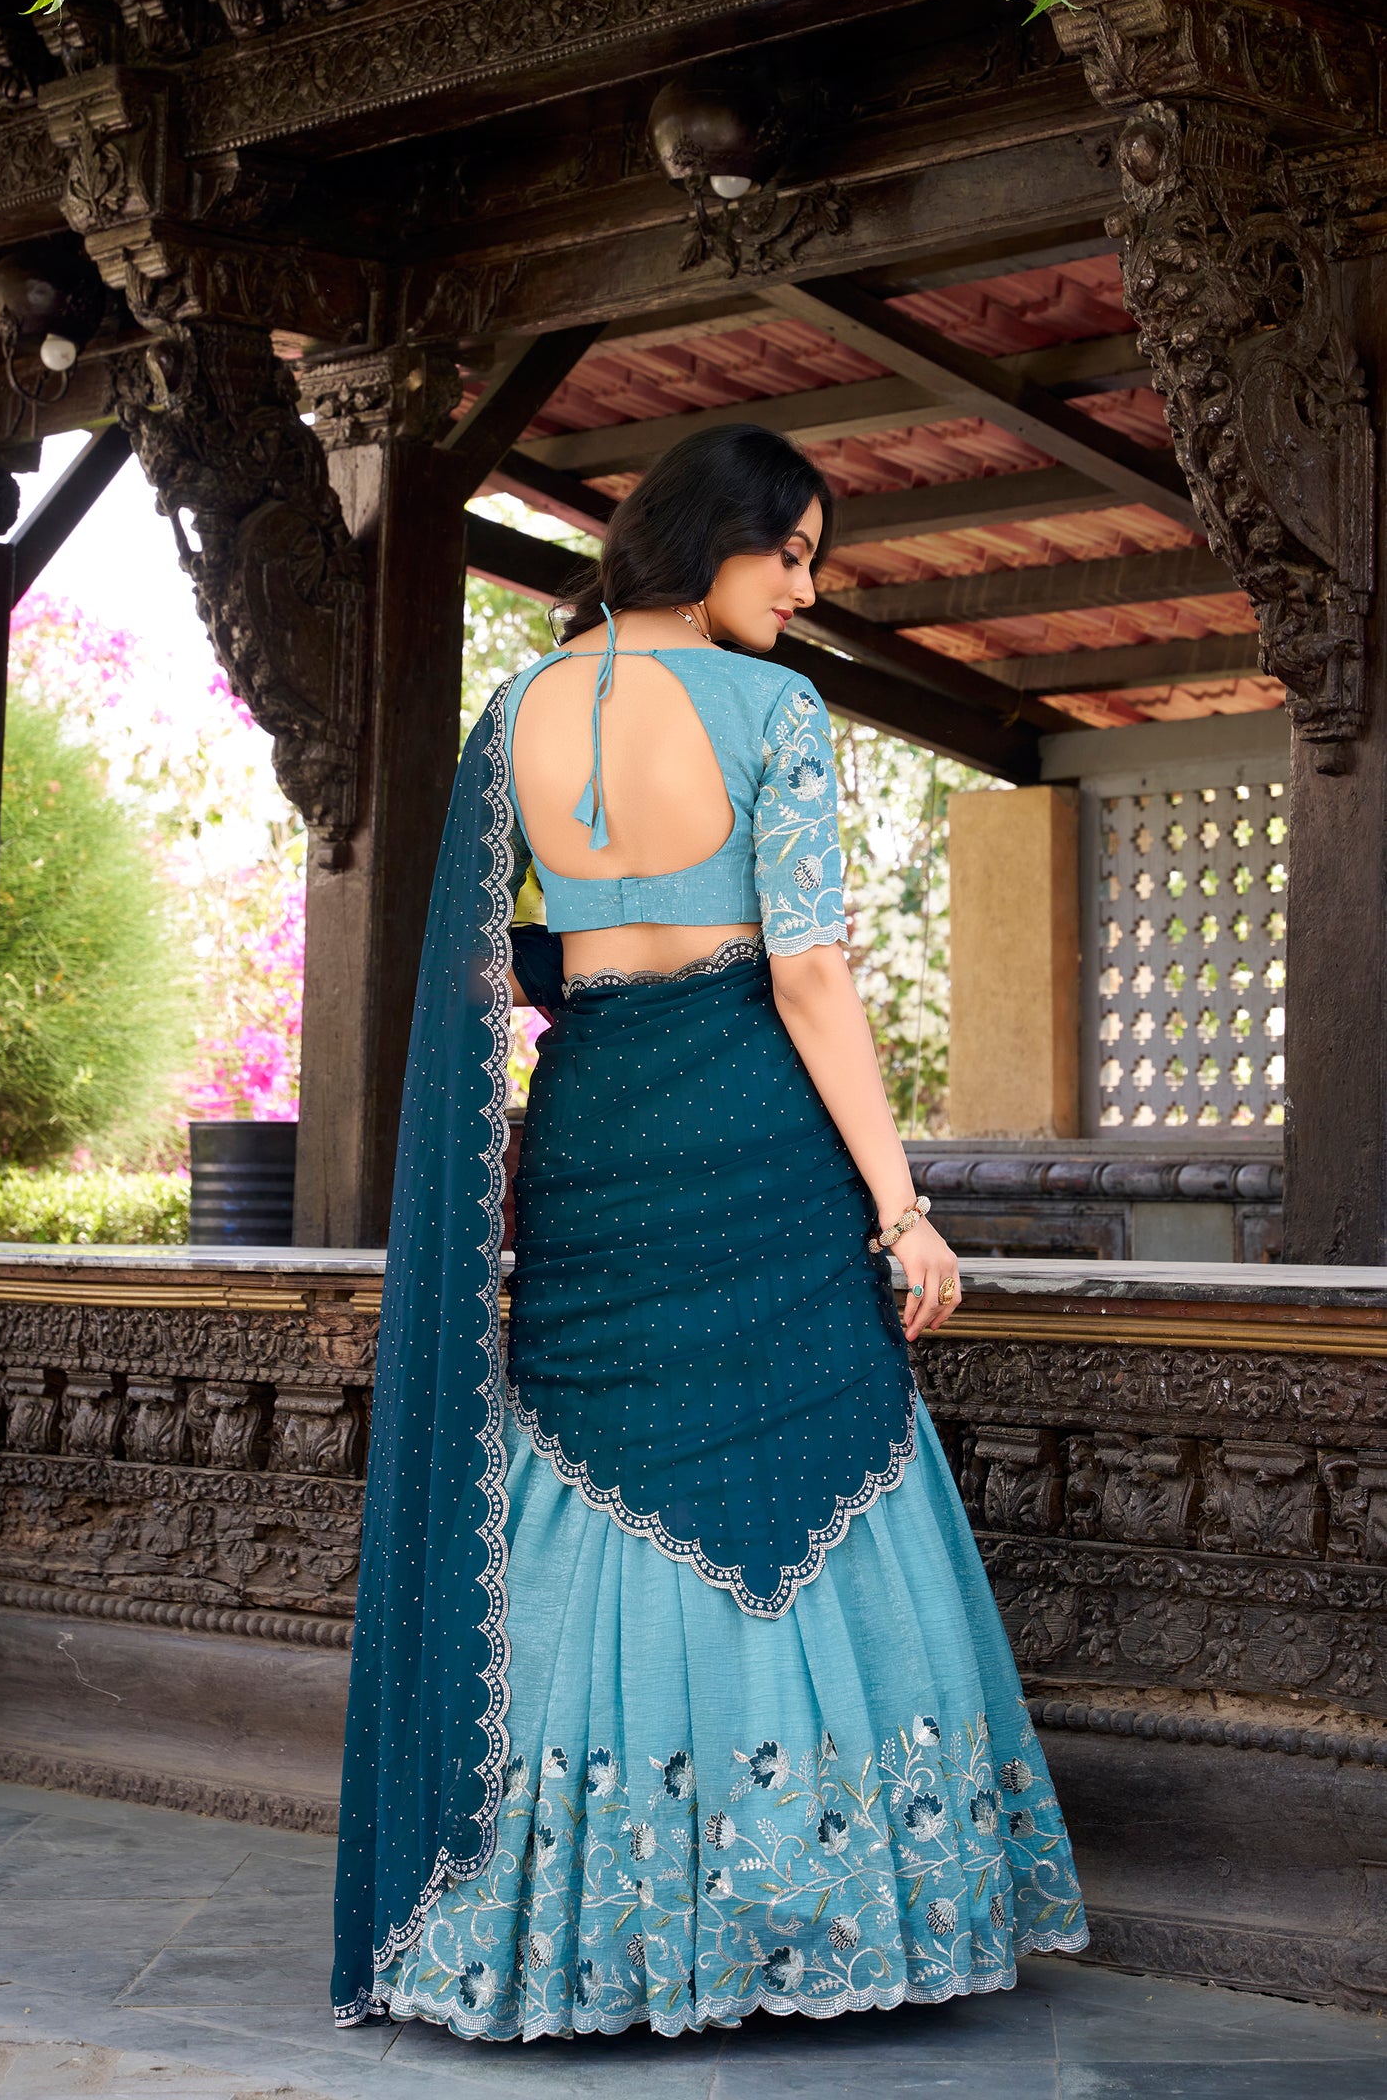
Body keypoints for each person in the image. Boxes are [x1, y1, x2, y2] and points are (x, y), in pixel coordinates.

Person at [332, 423, 1086, 2040]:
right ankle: (800, 1905)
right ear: (709, 538)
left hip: (594, 1122)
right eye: (790, 554)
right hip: (751, 1124)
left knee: (582, 1460)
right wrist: (901, 1206)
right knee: (817, 1441)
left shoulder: (515, 711)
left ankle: (567, 1925)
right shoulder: (774, 710)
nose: (804, 591)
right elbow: (807, 972)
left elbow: (495, 967)